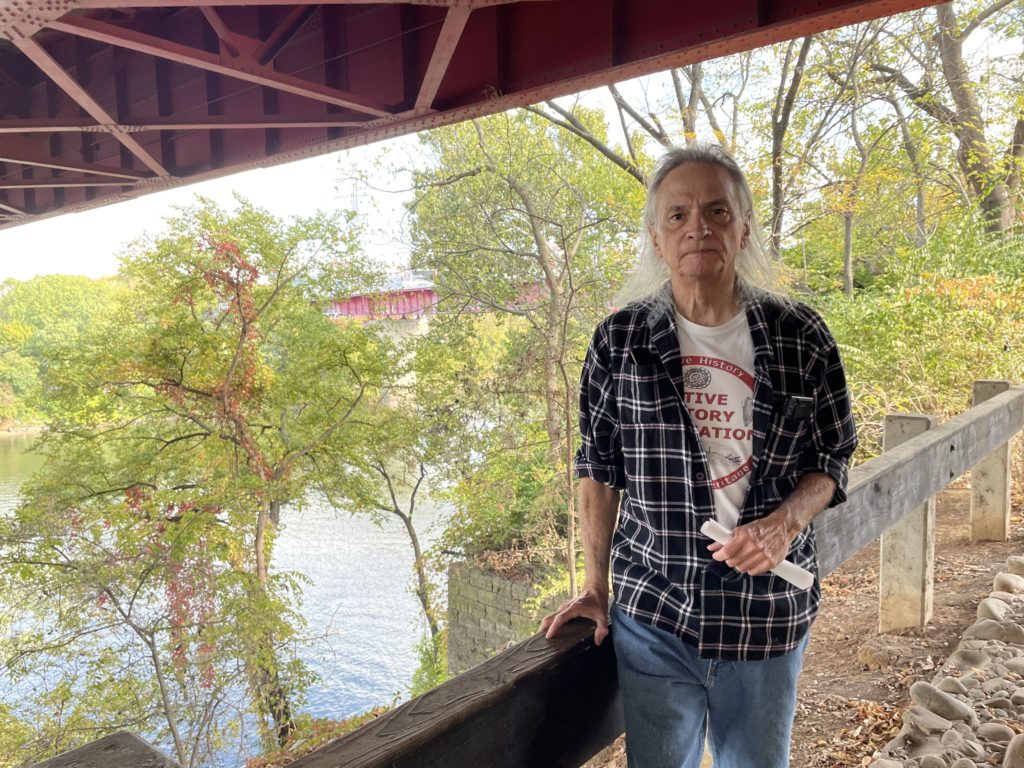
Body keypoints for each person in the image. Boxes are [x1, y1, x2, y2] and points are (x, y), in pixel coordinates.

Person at [540, 145, 857, 768]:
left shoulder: (802, 335)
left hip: (764, 615)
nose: (698, 228)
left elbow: (834, 455)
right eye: (678, 215)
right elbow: (598, 470)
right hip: (655, 612)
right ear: (657, 238)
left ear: (743, 229)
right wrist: (596, 586)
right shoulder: (620, 340)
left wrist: (784, 524)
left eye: (716, 211)